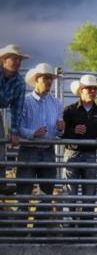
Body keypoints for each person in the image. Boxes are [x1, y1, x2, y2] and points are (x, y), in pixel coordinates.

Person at [16, 63, 64, 224]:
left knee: (47, 193)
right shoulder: (25, 101)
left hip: (48, 150)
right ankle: (20, 234)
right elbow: (18, 127)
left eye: (50, 78)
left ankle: (39, 232)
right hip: (28, 150)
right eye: (45, 78)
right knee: (24, 192)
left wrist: (61, 129)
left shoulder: (56, 103)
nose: (49, 81)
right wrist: (32, 133)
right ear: (37, 80)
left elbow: (59, 132)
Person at [62, 75, 97, 227]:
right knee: (70, 192)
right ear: (81, 91)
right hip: (72, 153)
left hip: (90, 154)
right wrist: (73, 131)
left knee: (90, 192)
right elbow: (61, 133)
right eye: (89, 88)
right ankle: (69, 227)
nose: (92, 91)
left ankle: (86, 227)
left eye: (94, 88)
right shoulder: (69, 111)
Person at [0, 44, 29, 194]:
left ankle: (1, 181)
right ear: (4, 60)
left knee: (1, 146)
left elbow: (17, 108)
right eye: (14, 58)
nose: (17, 62)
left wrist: (15, 131)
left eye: (19, 59)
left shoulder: (19, 82)